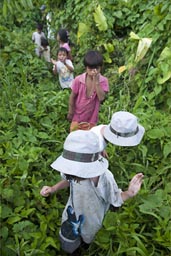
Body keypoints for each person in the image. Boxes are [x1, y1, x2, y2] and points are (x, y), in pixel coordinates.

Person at [40, 130, 144, 253]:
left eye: (79, 170)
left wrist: (129, 193)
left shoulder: (104, 178)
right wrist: (53, 189)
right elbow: (69, 180)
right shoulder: (70, 171)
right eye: (72, 169)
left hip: (92, 218)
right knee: (68, 237)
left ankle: (84, 246)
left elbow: (115, 197)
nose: (75, 173)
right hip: (72, 211)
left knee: (87, 237)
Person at [67, 50, 109, 132]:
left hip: (92, 118)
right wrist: (70, 112)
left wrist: (96, 82)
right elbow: (72, 96)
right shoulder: (78, 80)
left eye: (96, 68)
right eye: (90, 68)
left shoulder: (103, 81)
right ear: (86, 67)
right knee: (75, 135)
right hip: (77, 116)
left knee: (89, 139)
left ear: (100, 68)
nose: (93, 71)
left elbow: (101, 98)